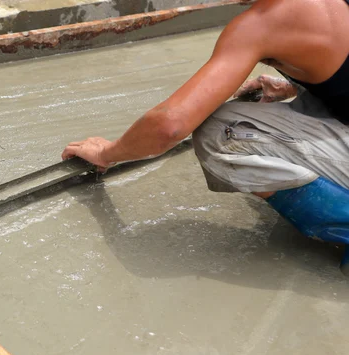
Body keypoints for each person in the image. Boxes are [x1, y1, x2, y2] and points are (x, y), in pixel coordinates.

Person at [61, 0, 349, 275]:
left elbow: (169, 126)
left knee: (221, 130)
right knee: (305, 99)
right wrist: (292, 85)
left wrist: (107, 152)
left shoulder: (263, 22)